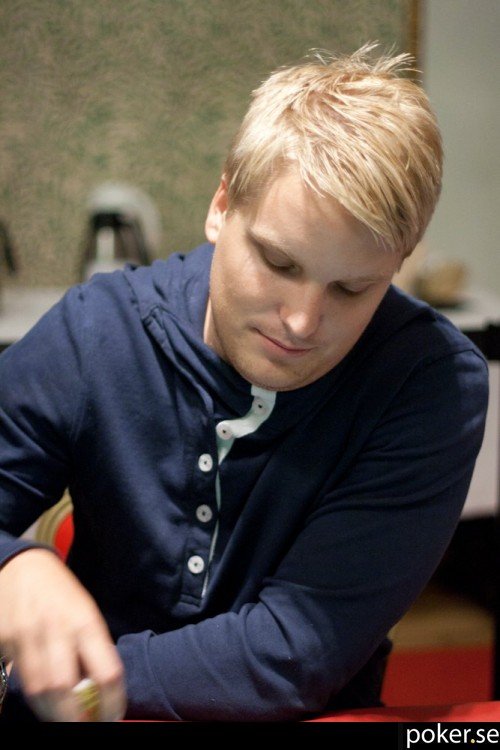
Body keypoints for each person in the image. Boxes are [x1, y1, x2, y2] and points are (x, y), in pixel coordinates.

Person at [0, 43, 489, 723]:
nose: (302, 321)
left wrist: (52, 682)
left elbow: (290, 657)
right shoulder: (97, 331)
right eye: (278, 262)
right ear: (222, 204)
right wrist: (12, 567)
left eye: (352, 289)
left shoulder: (429, 382)